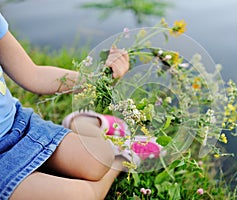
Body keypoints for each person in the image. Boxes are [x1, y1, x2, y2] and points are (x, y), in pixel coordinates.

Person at [0, 12, 161, 200]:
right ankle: (124, 157)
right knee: (81, 196)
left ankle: (84, 122)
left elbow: (33, 75)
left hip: (18, 127)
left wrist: (98, 80)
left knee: (99, 160)